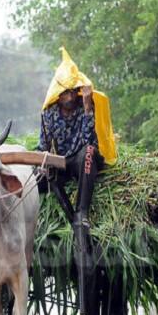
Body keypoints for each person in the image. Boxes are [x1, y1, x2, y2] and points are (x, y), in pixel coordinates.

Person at [38, 84, 101, 228]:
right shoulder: (48, 113)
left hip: (80, 160)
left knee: (89, 151)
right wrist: (44, 162)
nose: (71, 97)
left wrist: (87, 108)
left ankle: (81, 213)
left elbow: (89, 140)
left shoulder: (85, 108)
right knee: (36, 179)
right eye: (66, 93)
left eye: (73, 93)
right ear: (58, 95)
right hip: (59, 163)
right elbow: (43, 146)